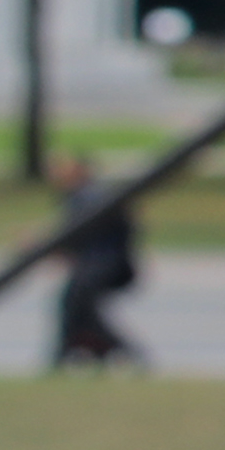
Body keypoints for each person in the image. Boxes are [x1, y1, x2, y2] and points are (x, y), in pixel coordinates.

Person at [49, 150, 144, 371]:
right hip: (94, 264)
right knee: (76, 304)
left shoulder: (92, 197)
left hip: (105, 264)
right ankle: (92, 349)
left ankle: (110, 348)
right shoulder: (78, 197)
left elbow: (80, 234)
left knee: (76, 302)